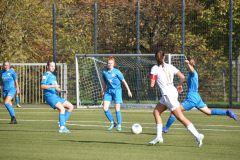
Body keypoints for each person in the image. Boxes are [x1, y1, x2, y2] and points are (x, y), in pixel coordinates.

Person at [162, 56, 238, 133]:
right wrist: (180, 84)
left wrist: (188, 64)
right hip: (197, 97)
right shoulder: (191, 74)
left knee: (175, 111)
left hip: (192, 98)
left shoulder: (193, 72)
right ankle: (227, 112)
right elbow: (185, 79)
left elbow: (192, 70)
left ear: (190, 64)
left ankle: (166, 128)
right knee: (208, 112)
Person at [149, 50, 204, 147]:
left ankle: (197, 135)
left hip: (167, 96)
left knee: (180, 117)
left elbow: (152, 85)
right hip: (172, 92)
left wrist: (153, 80)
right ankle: (159, 137)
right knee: (156, 112)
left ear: (155, 58)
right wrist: (179, 85)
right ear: (164, 57)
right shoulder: (170, 66)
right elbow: (182, 77)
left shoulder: (154, 68)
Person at [40, 61, 74, 133]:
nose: (53, 67)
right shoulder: (46, 75)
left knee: (71, 106)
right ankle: (62, 128)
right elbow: (42, 86)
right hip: (49, 96)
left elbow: (56, 88)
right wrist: (52, 86)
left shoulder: (53, 76)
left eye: (54, 66)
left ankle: (62, 122)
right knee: (62, 109)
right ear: (47, 66)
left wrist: (62, 91)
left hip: (55, 96)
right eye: (51, 66)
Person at [102, 56, 132, 132]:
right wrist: (103, 90)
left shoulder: (117, 72)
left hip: (117, 91)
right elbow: (104, 82)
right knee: (105, 108)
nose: (109, 64)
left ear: (114, 64)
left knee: (117, 108)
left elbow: (124, 81)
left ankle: (119, 125)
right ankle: (112, 123)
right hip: (108, 91)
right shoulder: (104, 72)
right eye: (108, 63)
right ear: (107, 63)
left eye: (111, 63)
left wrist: (129, 90)